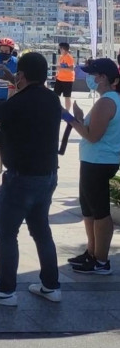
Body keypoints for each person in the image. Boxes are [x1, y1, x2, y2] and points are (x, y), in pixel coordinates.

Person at [0, 52, 62, 306]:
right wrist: (16, 80)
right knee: (41, 231)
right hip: (47, 176)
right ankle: (50, 286)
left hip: (20, 179)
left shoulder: (19, 102)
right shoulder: (52, 99)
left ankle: (5, 291)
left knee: (7, 234)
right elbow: (28, 100)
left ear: (22, 75)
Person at [65, 58, 120, 275]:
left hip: (99, 162)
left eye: (93, 74)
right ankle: (92, 252)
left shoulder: (107, 102)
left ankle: (101, 260)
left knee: (99, 212)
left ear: (103, 78)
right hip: (94, 161)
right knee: (88, 209)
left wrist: (70, 119)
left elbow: (92, 136)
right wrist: (78, 118)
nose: (90, 78)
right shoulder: (108, 100)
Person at [53, 42, 75, 111]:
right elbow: (59, 67)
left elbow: (71, 68)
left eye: (60, 48)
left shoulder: (69, 57)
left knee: (67, 96)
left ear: (63, 49)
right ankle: (56, 109)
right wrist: (57, 74)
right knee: (55, 95)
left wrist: (62, 69)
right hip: (60, 79)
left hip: (68, 80)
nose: (59, 50)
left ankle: (67, 111)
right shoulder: (60, 57)